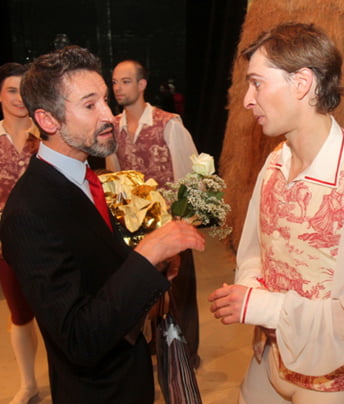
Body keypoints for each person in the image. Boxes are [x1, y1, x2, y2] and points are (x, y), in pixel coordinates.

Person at [208, 22, 344, 404]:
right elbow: (255, 251)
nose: (247, 100)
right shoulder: (274, 163)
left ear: (301, 83)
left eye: (257, 84)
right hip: (268, 358)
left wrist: (265, 307)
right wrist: (250, 289)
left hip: (329, 378)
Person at [0, 46, 205, 404]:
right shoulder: (28, 213)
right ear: (48, 120)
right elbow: (78, 339)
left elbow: (98, 273)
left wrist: (152, 270)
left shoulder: (85, 177)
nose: (109, 115)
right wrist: (147, 254)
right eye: (90, 105)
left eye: (106, 101)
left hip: (128, 375)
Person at [106, 59, 201, 368]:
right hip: (136, 229)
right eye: (115, 82)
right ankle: (150, 347)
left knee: (180, 292)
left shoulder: (168, 123)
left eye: (125, 81)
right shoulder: (112, 128)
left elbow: (190, 177)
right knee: (143, 291)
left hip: (172, 224)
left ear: (142, 84)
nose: (118, 88)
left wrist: (185, 223)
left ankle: (187, 355)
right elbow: (115, 179)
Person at [0, 62, 40, 404]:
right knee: (20, 315)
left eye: (23, 90)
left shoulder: (48, 136)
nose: (18, 98)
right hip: (6, 246)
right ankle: (28, 384)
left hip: (51, 241)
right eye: (11, 90)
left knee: (60, 312)